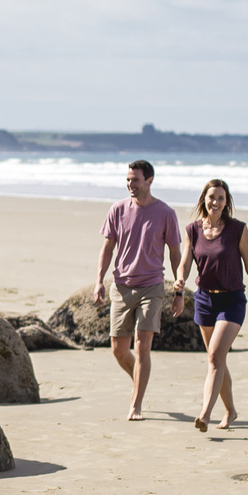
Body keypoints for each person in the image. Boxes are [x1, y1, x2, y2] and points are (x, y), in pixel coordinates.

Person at [175, 178, 248, 432]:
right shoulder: (192, 230)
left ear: (226, 202)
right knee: (218, 358)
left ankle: (204, 414)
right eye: (212, 197)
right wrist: (180, 280)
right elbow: (185, 262)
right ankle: (231, 411)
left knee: (214, 356)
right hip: (204, 300)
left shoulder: (238, 230)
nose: (216, 202)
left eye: (221, 198)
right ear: (204, 199)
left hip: (232, 300)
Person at [94, 159, 184, 420]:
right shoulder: (118, 209)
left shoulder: (166, 213)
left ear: (149, 181)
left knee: (143, 346)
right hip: (121, 287)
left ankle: (136, 404)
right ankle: (139, 379)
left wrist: (179, 290)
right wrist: (99, 280)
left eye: (135, 180)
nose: (130, 184)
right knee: (118, 349)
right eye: (128, 180)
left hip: (152, 287)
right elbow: (108, 248)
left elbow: (175, 253)